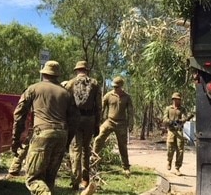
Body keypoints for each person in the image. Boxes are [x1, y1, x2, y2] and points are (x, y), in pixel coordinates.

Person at [12, 60, 80, 195]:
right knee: (49, 179)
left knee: (33, 179)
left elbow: (19, 114)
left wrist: (16, 138)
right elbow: (75, 119)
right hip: (61, 135)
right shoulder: (66, 93)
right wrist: (67, 141)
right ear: (57, 75)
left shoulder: (33, 88)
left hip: (43, 135)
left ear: (44, 73)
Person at [63, 61, 101, 190]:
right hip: (90, 118)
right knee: (86, 149)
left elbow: (64, 101)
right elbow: (99, 106)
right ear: (86, 71)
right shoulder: (95, 83)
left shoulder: (70, 83)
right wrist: (97, 123)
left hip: (75, 119)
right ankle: (85, 180)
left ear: (77, 71)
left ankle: (75, 180)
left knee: (75, 149)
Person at [91, 76, 134, 177]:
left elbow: (131, 112)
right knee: (98, 139)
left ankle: (126, 167)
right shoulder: (108, 95)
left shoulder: (127, 97)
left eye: (117, 87)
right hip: (109, 121)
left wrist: (131, 123)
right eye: (114, 86)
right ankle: (93, 161)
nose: (115, 88)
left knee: (122, 145)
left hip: (122, 123)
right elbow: (101, 108)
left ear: (121, 86)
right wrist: (98, 121)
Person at [162, 92, 193, 176]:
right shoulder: (168, 108)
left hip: (179, 130)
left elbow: (184, 117)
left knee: (180, 150)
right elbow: (164, 118)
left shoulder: (182, 109)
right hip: (171, 131)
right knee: (170, 148)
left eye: (179, 99)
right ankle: (169, 161)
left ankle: (177, 168)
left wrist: (181, 120)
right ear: (173, 100)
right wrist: (170, 122)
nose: (178, 101)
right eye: (176, 99)